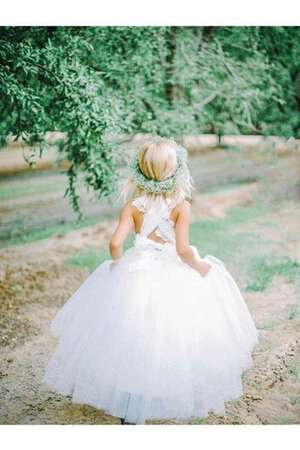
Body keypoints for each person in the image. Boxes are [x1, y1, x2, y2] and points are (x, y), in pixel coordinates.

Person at [43, 136, 259, 425]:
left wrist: (120, 266)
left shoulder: (133, 205)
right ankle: (161, 394)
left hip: (137, 272)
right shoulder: (181, 206)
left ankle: (131, 405)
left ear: (140, 169)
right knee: (172, 335)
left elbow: (115, 244)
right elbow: (182, 250)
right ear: (176, 169)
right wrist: (199, 267)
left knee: (132, 334)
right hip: (171, 273)